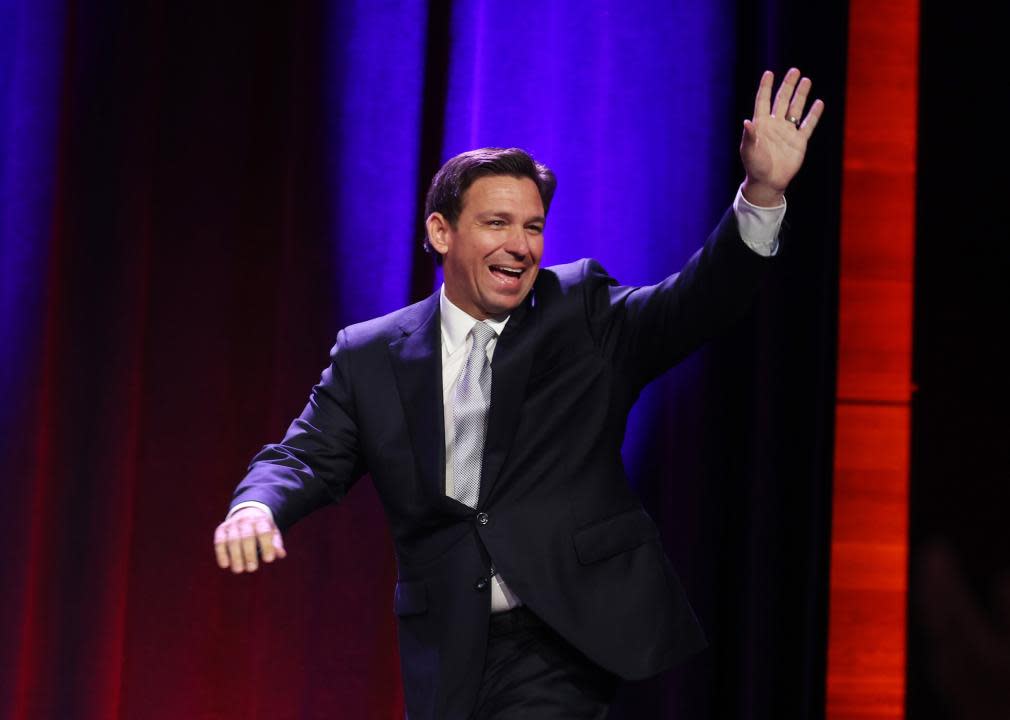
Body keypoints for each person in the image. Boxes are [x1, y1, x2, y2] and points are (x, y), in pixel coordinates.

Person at [213, 68, 824, 719]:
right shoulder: (372, 355)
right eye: (497, 223)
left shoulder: (581, 310)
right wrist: (256, 508)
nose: (520, 246)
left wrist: (761, 192)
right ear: (442, 232)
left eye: (533, 227)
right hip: (452, 647)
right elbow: (305, 456)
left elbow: (695, 304)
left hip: (566, 631)